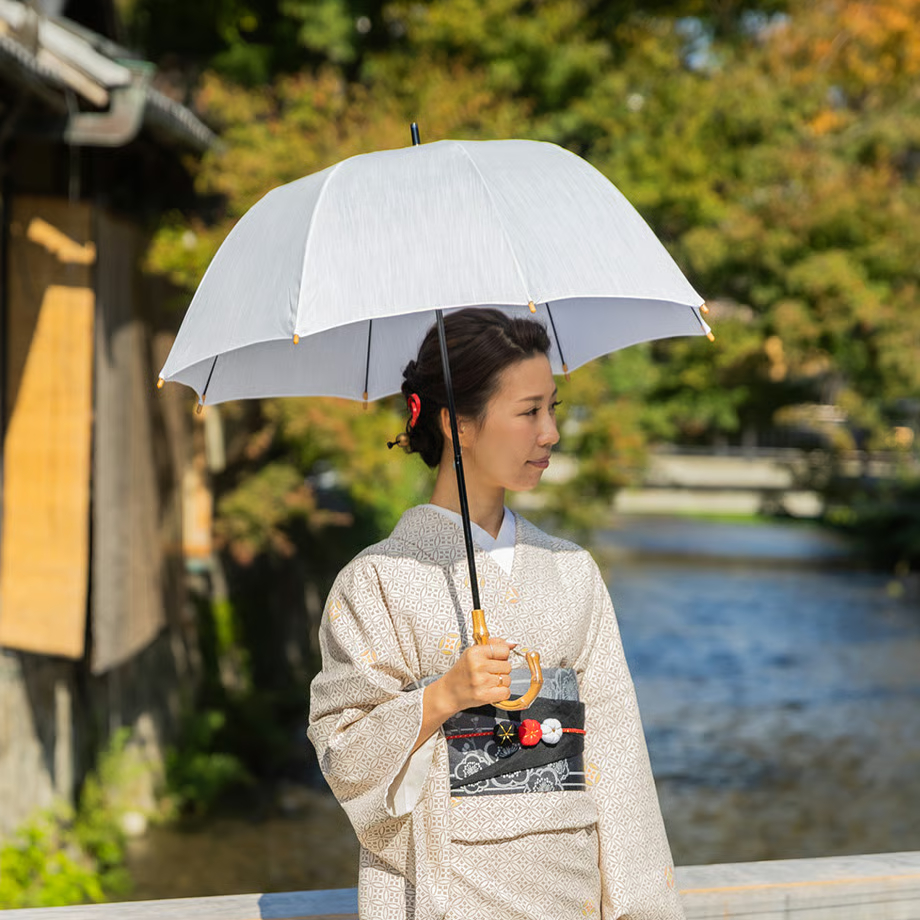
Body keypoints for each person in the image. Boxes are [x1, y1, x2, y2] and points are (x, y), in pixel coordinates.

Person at [308, 308, 684, 920]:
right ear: (459, 425)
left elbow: (617, 763)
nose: (551, 432)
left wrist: (644, 910)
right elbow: (344, 754)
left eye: (553, 408)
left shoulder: (572, 571)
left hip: (567, 890)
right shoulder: (375, 580)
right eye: (529, 411)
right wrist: (442, 696)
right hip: (446, 891)